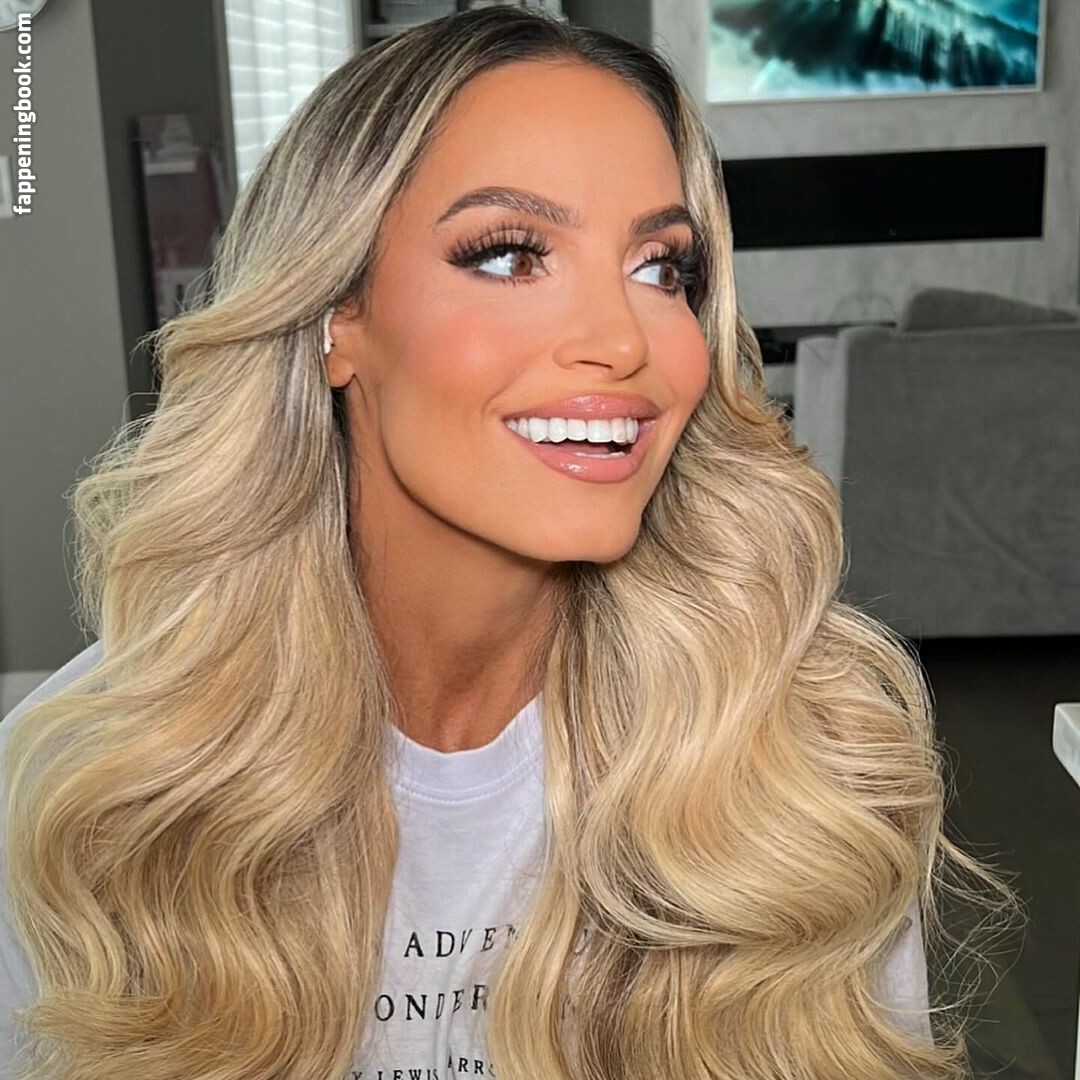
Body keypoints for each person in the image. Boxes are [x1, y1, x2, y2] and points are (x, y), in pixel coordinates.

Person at [0, 7, 1018, 1079]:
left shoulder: (799, 760)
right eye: (509, 255)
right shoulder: (97, 787)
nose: (621, 340)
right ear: (337, 318)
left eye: (661, 269)